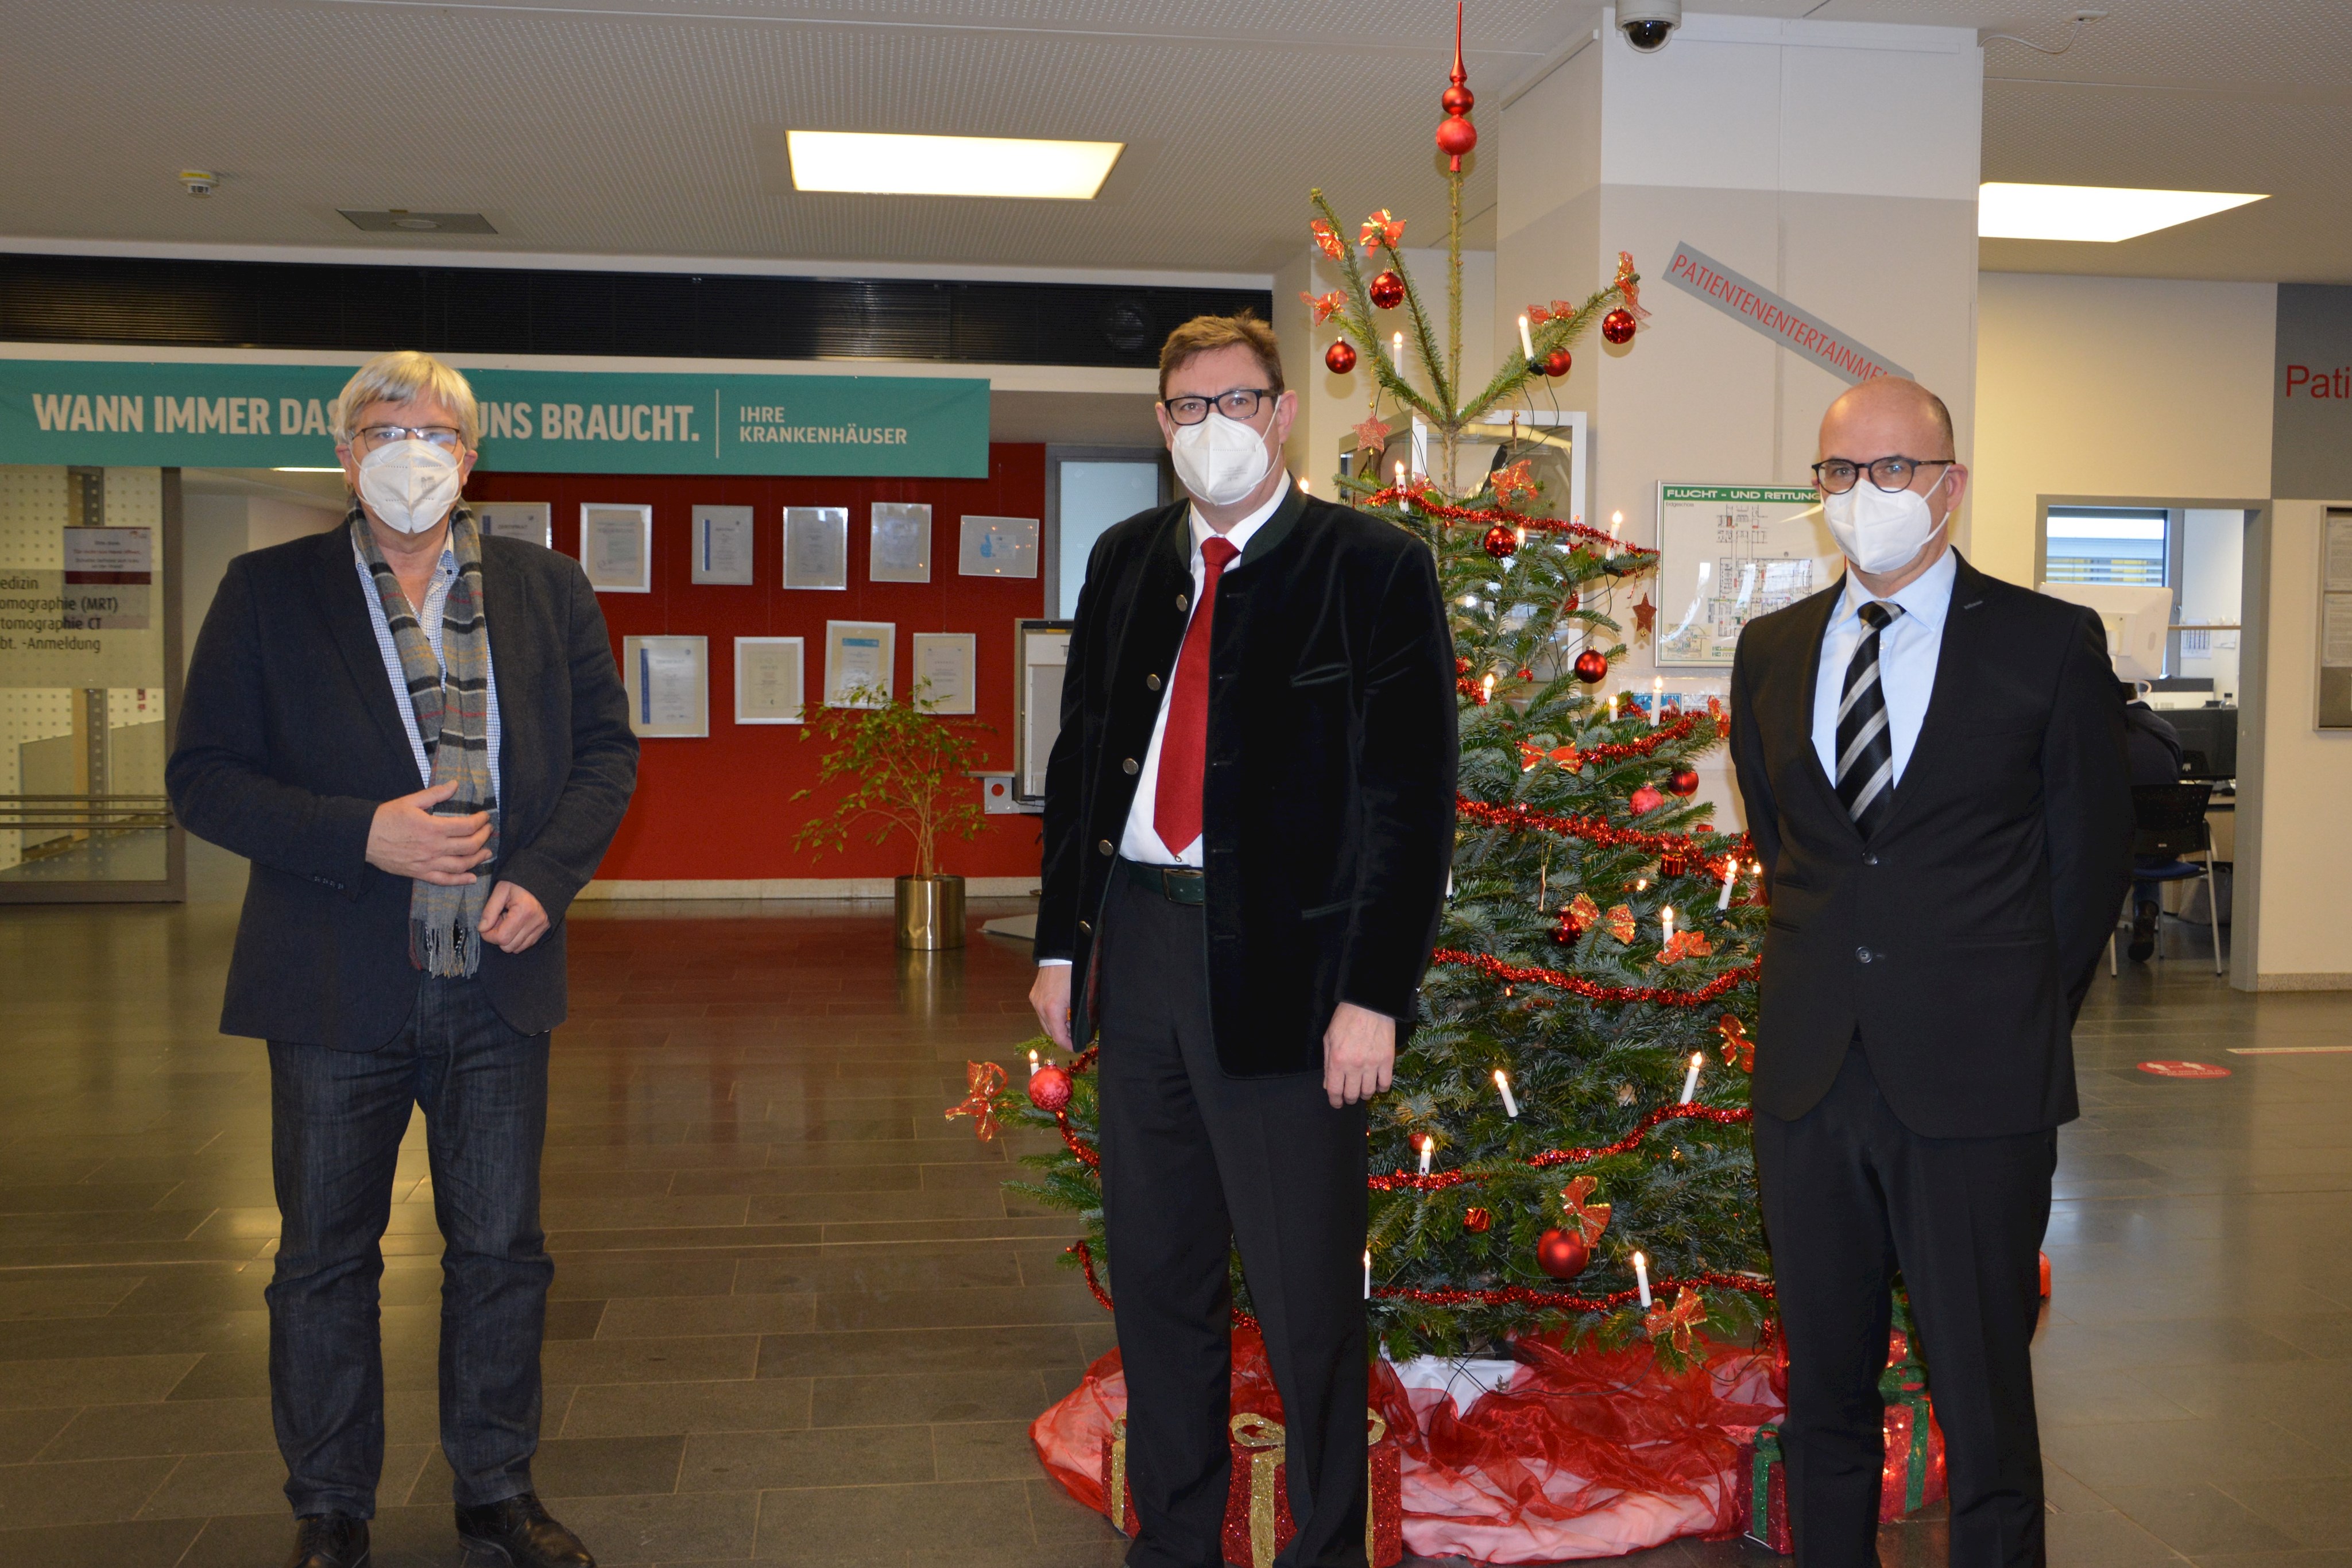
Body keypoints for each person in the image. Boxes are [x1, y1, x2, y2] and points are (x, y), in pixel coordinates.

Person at [168, 351, 638, 1568]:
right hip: (331, 987)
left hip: (498, 981)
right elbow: (203, 778)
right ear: (346, 452)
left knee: (501, 1252)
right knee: (323, 1259)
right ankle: (331, 1507)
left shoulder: (548, 589)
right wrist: (361, 834)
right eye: (384, 428)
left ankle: (495, 1490)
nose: (409, 449)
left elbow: (604, 758)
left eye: (434, 430)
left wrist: (543, 878)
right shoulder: (266, 592)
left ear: (470, 456)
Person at [1030, 313, 1457, 1568]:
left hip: (1292, 977)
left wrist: (1372, 994)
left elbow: (1408, 797)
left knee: (1306, 1296)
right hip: (1143, 955)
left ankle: (1327, 1544)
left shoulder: (1369, 566)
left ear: (1279, 413)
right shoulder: (1123, 560)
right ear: (1161, 423)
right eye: (1183, 407)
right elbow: (1077, 767)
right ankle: (1174, 1541)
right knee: (1159, 1281)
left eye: (1232, 402)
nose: (1208, 427)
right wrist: (1063, 946)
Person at [1727, 377, 2132, 1568]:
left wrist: (2004, 1018)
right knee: (1824, 1397)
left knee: (1982, 1402)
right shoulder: (1770, 649)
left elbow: (2084, 864)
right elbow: (1787, 845)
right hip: (1808, 1079)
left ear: (1948, 488)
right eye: (1838, 474)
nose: (1864, 497)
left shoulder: (2046, 644)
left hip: (1976, 1085)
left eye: (1892, 471)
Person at [2119, 680, 2187, 961]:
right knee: (2150, 836)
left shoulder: (2104, 732)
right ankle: (2145, 911)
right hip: (2165, 844)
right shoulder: (2166, 729)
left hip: (2121, 847)